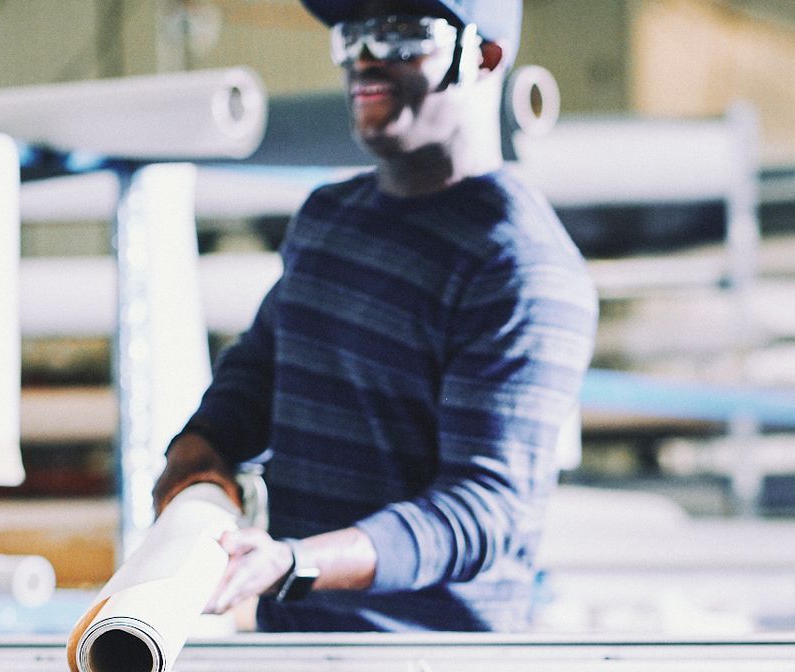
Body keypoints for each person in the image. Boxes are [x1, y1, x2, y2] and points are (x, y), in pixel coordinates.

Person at [152, 0, 598, 631]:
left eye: (400, 36)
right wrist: (196, 458)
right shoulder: (329, 217)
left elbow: (484, 509)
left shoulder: (521, 266)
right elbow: (257, 376)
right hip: (298, 650)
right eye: (352, 33)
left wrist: (295, 564)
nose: (364, 57)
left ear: (486, 57)